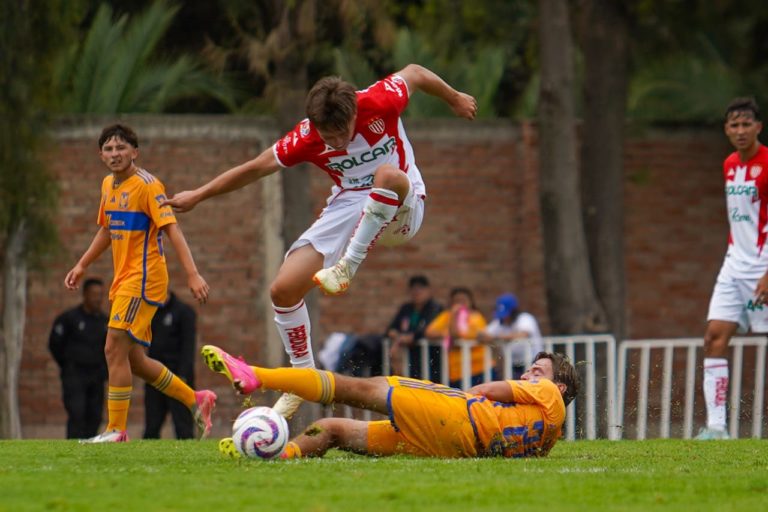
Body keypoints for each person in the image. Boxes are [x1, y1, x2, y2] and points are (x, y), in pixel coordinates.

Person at [162, 65, 477, 419]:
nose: (338, 142)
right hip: (349, 204)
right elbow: (255, 167)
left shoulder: (379, 100)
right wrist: (199, 195)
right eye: (329, 136)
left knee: (386, 175)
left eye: (342, 133)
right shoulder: (306, 137)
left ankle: (347, 267)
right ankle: (302, 377)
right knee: (282, 290)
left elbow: (416, 74)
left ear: (355, 112)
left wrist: (454, 98)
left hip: (404, 204)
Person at [64, 124, 216, 443]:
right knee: (134, 360)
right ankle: (195, 399)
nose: (115, 154)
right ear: (101, 154)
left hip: (144, 280)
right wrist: (81, 264)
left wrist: (192, 274)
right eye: (108, 149)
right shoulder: (108, 185)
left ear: (135, 151)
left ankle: (116, 430)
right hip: (123, 280)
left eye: (121, 148)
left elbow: (172, 229)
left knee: (112, 346)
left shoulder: (148, 185)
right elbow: (106, 230)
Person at [202, 344, 578, 459]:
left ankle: (256, 375)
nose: (529, 375)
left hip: (454, 415)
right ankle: (274, 453)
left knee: (357, 388)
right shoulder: (548, 437)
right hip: (450, 449)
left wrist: (455, 399)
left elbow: (487, 391)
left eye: (537, 371)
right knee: (334, 430)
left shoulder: (548, 396)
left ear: (559, 387)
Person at [698, 97, 768, 440]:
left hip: (764, 265)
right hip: (733, 266)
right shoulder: (728, 164)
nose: (740, 131)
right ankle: (716, 428)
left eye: (746, 124)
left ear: (759, 127)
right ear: (726, 130)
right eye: (734, 125)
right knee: (713, 337)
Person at [49, 277, 109, 439]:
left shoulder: (105, 322)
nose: (97, 299)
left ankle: (89, 446)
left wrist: (104, 371)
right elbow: (55, 344)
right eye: (94, 294)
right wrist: (67, 364)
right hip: (75, 374)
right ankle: (73, 447)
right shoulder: (69, 319)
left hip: (96, 375)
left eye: (100, 295)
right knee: (77, 412)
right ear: (85, 295)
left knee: (95, 415)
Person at [144, 292, 197, 439]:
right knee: (152, 425)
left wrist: (183, 375)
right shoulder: (150, 311)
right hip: (155, 377)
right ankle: (146, 457)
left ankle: (187, 455)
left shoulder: (183, 312)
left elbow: (188, 346)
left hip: (177, 375)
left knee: (183, 425)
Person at [424, 287, 488, 388]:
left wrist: (453, 317)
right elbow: (429, 332)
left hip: (477, 370)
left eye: (464, 300)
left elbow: (457, 335)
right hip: (455, 372)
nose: (460, 304)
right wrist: (445, 333)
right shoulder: (446, 315)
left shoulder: (475, 317)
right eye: (457, 301)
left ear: (471, 302)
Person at [386, 275, 444, 381]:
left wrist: (412, 337)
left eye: (421, 288)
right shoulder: (406, 308)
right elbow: (392, 327)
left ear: (428, 290)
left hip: (428, 357)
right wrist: (395, 334)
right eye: (413, 289)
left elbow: (428, 329)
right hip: (408, 355)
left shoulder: (435, 308)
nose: (417, 292)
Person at [478, 293, 543, 378]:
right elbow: (482, 334)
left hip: (533, 362)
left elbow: (523, 334)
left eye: (507, 314)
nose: (505, 317)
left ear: (514, 311)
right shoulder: (499, 322)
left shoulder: (525, 318)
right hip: (513, 364)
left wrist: (498, 337)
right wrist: (487, 337)